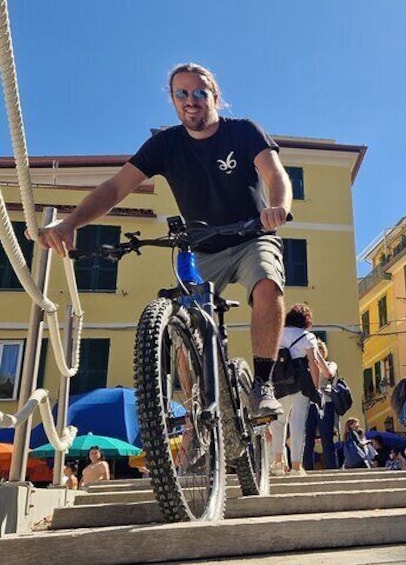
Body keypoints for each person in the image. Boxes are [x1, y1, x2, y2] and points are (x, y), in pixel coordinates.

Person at [35, 63, 293, 420]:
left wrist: (278, 207)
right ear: (173, 101)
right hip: (202, 247)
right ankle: (196, 416)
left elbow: (274, 173)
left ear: (215, 97)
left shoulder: (244, 132)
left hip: (251, 235)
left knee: (267, 284)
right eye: (181, 93)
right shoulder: (164, 145)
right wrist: (72, 221)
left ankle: (262, 384)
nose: (191, 100)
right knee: (186, 326)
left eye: (200, 92)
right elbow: (114, 188)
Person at [269, 304, 332, 476]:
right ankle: (296, 467)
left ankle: (277, 462)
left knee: (278, 423)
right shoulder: (307, 336)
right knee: (297, 425)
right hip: (300, 384)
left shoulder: (278, 333)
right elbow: (313, 363)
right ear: (306, 321)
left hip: (279, 383)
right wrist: (315, 388)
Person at [302, 339, 339, 470]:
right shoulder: (306, 365)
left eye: (321, 349)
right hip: (309, 405)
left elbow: (328, 373)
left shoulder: (331, 364)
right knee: (307, 440)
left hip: (326, 404)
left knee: (327, 439)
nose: (318, 351)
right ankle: (307, 468)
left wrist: (317, 360)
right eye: (315, 349)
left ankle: (332, 469)